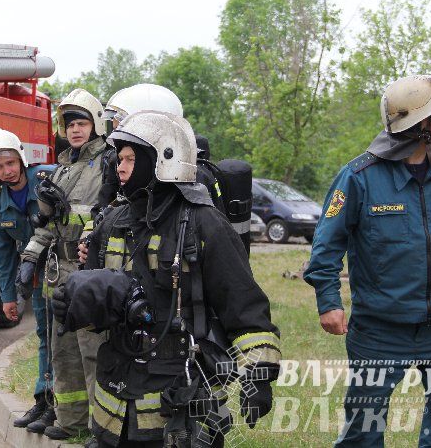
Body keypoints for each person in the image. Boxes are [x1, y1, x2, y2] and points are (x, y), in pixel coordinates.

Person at [56, 110, 281, 447]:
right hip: (114, 404)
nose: (120, 167)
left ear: (162, 159)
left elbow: (244, 307)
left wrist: (259, 378)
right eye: (119, 158)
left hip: (179, 400)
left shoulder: (204, 224)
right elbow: (97, 294)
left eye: (131, 158)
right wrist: (74, 302)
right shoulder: (115, 219)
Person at [304, 74, 431, 446]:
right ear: (417, 123)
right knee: (363, 433)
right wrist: (328, 301)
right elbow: (327, 246)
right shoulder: (359, 177)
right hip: (379, 330)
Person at [18, 88, 109, 443]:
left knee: (91, 350)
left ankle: (101, 426)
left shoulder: (107, 164)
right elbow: (47, 226)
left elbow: (101, 217)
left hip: (86, 270)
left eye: (82, 122)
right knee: (63, 348)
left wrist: (64, 213)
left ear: (96, 124)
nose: (75, 129)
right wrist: (28, 259)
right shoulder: (62, 167)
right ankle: (71, 422)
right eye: (69, 123)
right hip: (58, 269)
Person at [0, 127, 55, 431]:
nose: (6, 171)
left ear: (21, 159)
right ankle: (44, 401)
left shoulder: (47, 178)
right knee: (45, 336)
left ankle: (66, 406)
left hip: (67, 271)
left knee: (68, 338)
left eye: (10, 163)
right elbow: (2, 253)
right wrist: (8, 297)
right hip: (37, 278)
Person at [98, 84, 224, 215]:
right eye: (116, 130)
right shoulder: (119, 165)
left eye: (123, 130)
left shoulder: (193, 178)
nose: (119, 138)